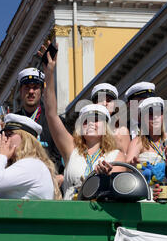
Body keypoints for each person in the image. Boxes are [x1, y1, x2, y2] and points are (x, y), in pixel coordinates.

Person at [40, 43, 126, 200]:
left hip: (101, 213)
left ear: (105, 127)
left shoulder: (116, 155)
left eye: (97, 120)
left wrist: (106, 176)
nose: (91, 123)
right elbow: (51, 113)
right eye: (86, 121)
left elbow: (119, 187)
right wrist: (49, 74)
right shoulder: (71, 149)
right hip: (71, 215)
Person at [0, 114, 61, 200]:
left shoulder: (32, 164)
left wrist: (0, 156)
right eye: (3, 135)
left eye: (9, 134)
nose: (4, 139)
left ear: (26, 138)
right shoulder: (25, 164)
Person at [15, 68, 66, 185]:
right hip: (19, 182)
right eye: (27, 87)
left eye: (35, 87)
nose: (31, 91)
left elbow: (60, 155)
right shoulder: (12, 122)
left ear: (42, 91)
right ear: (20, 91)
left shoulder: (56, 122)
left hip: (50, 180)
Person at [91, 83, 130, 154]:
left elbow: (126, 161)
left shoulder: (122, 131)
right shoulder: (86, 129)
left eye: (109, 100)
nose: (104, 103)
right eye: (100, 100)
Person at [126, 97, 166, 165]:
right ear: (141, 119)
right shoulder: (137, 142)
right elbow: (127, 165)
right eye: (151, 114)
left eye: (159, 113)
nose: (155, 117)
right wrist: (132, 163)